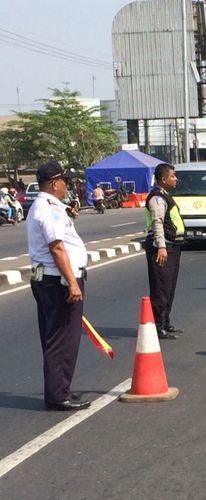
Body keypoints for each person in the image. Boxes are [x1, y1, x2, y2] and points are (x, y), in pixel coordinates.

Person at [26, 160, 90, 411]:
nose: (69, 186)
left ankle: (60, 389)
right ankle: (57, 396)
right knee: (62, 338)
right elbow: (57, 247)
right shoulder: (50, 208)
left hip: (51, 279)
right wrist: (72, 283)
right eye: (66, 181)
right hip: (58, 281)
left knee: (58, 337)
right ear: (54, 183)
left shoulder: (46, 206)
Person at [145, 163, 185, 340]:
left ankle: (165, 322)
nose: (175, 179)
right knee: (161, 287)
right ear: (163, 179)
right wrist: (161, 246)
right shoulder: (157, 198)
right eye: (173, 176)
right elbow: (157, 222)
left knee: (170, 287)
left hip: (173, 246)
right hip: (163, 247)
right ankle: (158, 326)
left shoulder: (165, 196)